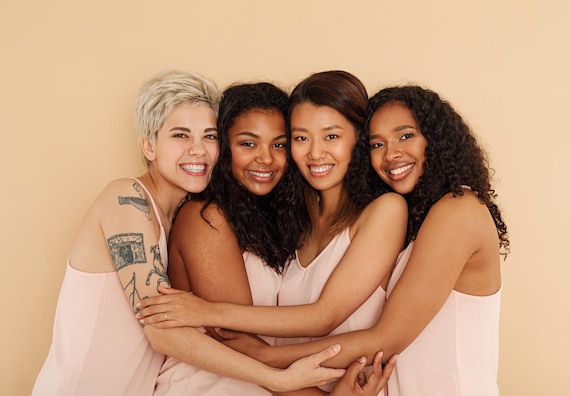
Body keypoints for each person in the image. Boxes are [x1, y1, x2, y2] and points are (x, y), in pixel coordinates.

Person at [143, 83, 510, 396]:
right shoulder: (289, 223)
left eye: (406, 135)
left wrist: (265, 358)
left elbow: (378, 334)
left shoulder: (455, 210)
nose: (392, 153)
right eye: (379, 143)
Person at [32, 70, 346, 396]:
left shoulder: (173, 219)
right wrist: (280, 379)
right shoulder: (126, 200)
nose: (198, 150)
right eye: (181, 136)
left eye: (209, 136)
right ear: (149, 146)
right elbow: (161, 330)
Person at [136, 71, 406, 394]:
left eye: (278, 143)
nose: (266, 158)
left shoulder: (288, 221)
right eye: (247, 143)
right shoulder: (207, 217)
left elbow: (308, 325)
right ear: (223, 147)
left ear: (358, 139)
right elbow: (236, 343)